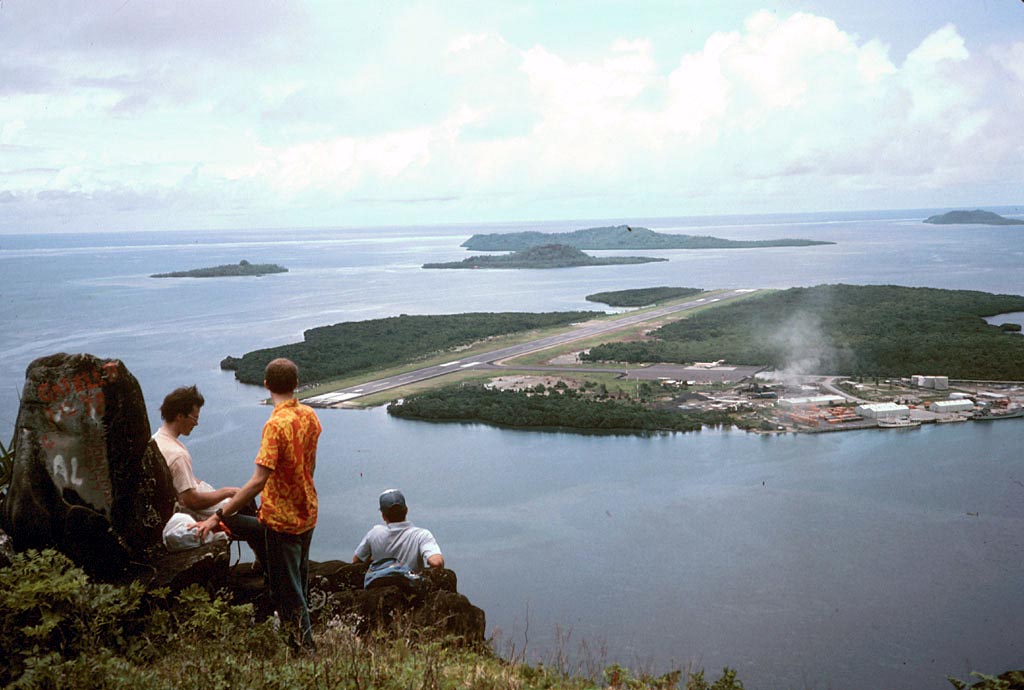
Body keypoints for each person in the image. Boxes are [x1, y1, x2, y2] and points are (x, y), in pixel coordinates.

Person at [193, 358, 322, 652]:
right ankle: (303, 644)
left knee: (287, 593)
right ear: (296, 384)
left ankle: (305, 653)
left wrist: (219, 515)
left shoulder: (275, 425)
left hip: (282, 520)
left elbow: (257, 481)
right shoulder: (310, 415)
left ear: (266, 385)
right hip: (307, 511)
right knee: (299, 582)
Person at [153, 385, 240, 519]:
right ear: (180, 416)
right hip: (195, 514)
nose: (196, 423)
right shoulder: (177, 454)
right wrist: (227, 492)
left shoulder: (156, 440)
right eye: (194, 418)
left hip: (171, 509)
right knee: (245, 505)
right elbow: (192, 501)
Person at [352, 489, 444, 572]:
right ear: (406, 510)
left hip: (380, 585)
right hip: (409, 588)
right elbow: (436, 562)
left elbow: (356, 560)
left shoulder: (374, 533)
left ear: (383, 516)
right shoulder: (421, 535)